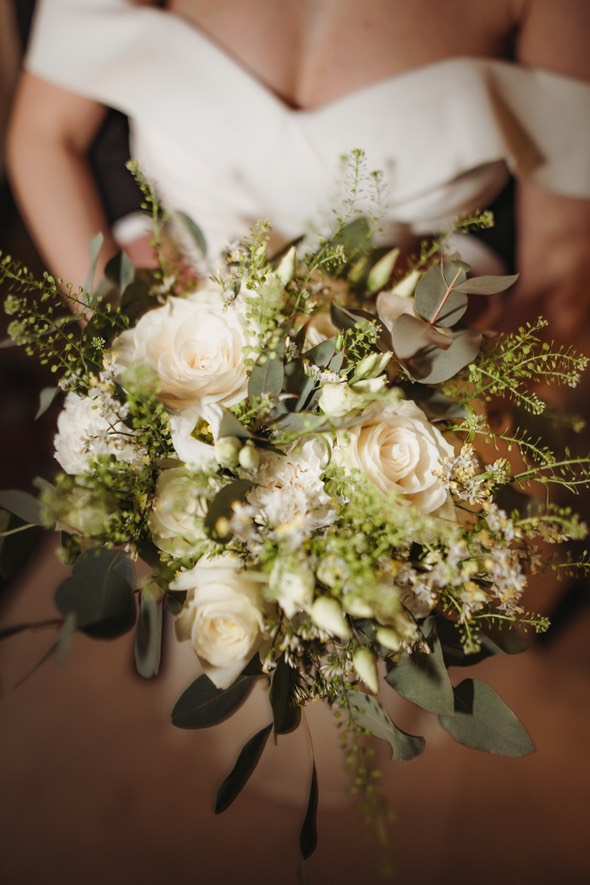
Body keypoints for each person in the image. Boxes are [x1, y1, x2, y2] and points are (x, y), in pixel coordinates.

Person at [2, 2, 590, 883]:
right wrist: (132, 343)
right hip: (188, 380)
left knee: (357, 664)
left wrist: (447, 433)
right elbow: (43, 136)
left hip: (412, 395)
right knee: (215, 619)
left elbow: (563, 264)